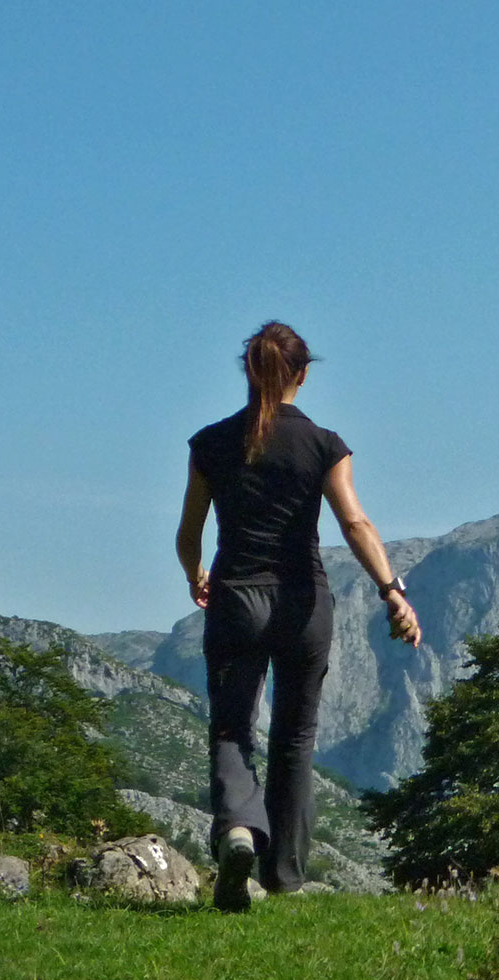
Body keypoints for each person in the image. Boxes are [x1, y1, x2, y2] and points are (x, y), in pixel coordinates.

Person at [175, 321, 421, 912]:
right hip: (303, 602)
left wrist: (195, 576)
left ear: (249, 371)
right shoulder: (324, 444)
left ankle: (238, 829)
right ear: (303, 375)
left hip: (237, 597)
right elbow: (355, 524)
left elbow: (189, 535)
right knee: (295, 737)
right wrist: (391, 590)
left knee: (233, 727)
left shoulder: (209, 444)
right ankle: (284, 876)